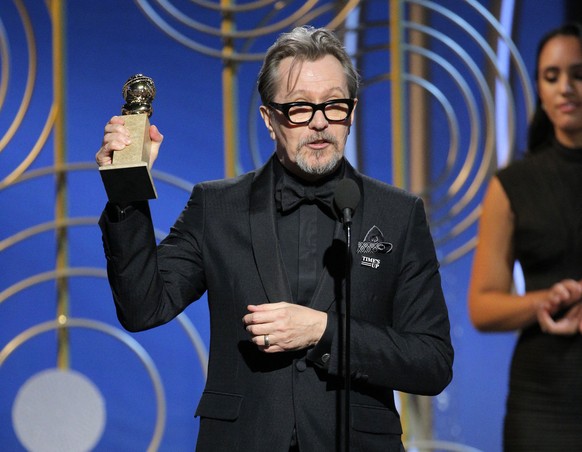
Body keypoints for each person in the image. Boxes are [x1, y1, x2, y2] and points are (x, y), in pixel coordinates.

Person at [96, 26, 453, 452]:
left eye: (334, 106)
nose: (320, 122)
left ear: (352, 112)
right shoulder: (217, 206)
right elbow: (142, 308)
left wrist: (323, 330)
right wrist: (127, 189)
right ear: (269, 119)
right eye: (300, 107)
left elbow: (431, 362)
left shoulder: (397, 214)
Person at [468, 23, 582, 452]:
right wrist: (547, 300)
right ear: (538, 87)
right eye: (551, 77)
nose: (566, 88)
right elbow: (482, 306)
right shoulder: (512, 184)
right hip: (542, 401)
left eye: (578, 73)